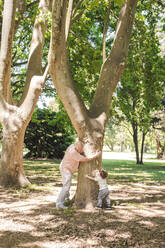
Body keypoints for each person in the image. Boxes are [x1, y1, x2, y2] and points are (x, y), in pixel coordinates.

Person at [56, 141, 101, 209]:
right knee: (66, 186)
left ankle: (66, 198)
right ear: (77, 148)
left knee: (66, 185)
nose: (82, 151)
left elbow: (80, 147)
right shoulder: (73, 152)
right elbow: (85, 159)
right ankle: (59, 204)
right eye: (81, 149)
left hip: (65, 167)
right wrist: (96, 155)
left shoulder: (73, 145)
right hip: (66, 170)